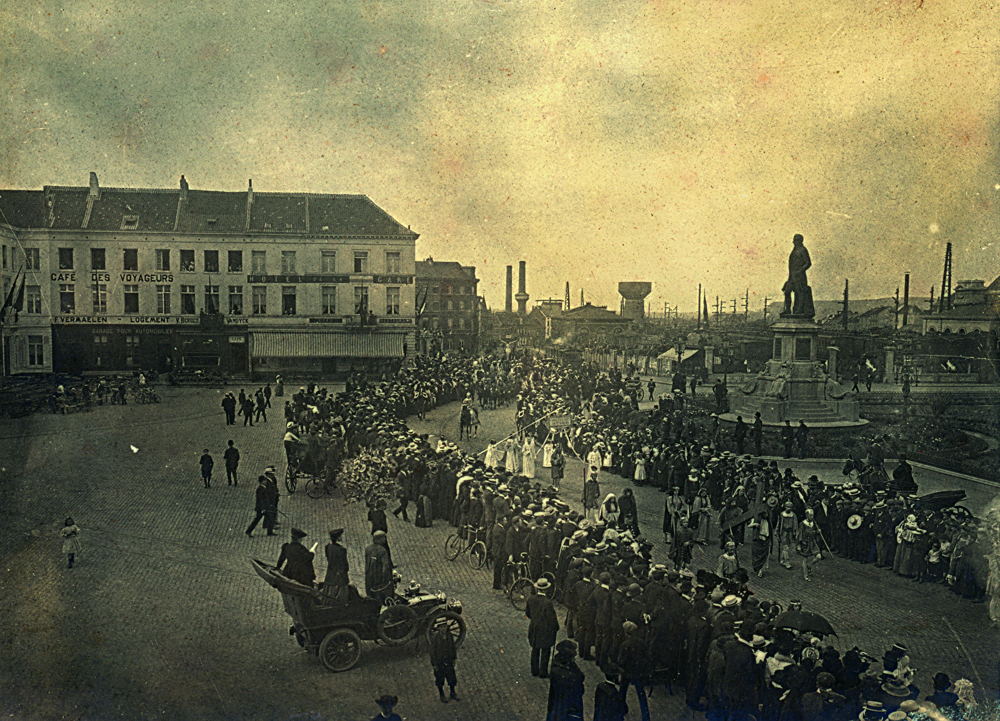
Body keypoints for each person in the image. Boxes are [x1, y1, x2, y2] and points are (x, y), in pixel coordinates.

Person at [526, 578, 560, 678]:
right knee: (545, 651)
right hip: (545, 630)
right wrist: (555, 628)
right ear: (546, 589)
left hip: (534, 628)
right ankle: (543, 672)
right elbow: (552, 619)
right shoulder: (547, 603)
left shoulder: (531, 599)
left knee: (535, 650)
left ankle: (534, 670)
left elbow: (528, 613)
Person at [547, 639, 585, 721]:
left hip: (556, 703)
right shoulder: (569, 674)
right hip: (568, 704)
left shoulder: (556, 666)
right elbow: (580, 678)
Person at [429, 621, 460, 703]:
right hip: (440, 662)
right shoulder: (435, 638)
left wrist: (454, 658)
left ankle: (452, 693)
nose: (443, 628)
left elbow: (453, 647)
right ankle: (442, 694)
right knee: (440, 679)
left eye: (445, 626)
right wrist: (434, 664)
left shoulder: (449, 635)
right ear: (438, 628)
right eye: (441, 627)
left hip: (448, 660)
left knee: (451, 678)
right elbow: (432, 652)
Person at [365, 530, 394, 603]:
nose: (385, 540)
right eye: (384, 538)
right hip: (380, 581)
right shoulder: (382, 551)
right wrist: (387, 580)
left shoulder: (368, 549)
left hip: (369, 579)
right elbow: (385, 567)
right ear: (380, 539)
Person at [322, 528, 349, 601]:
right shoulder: (342, 550)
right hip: (340, 577)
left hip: (330, 574)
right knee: (341, 597)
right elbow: (345, 566)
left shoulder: (327, 547)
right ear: (338, 538)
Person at [797, 508, 822, 581]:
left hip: (813, 542)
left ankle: (810, 565)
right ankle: (806, 575)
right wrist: (799, 544)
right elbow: (800, 534)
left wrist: (818, 531)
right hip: (805, 543)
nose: (812, 517)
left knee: (818, 556)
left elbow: (815, 531)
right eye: (810, 515)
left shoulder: (814, 523)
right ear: (807, 515)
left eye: (813, 515)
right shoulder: (802, 524)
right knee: (805, 559)